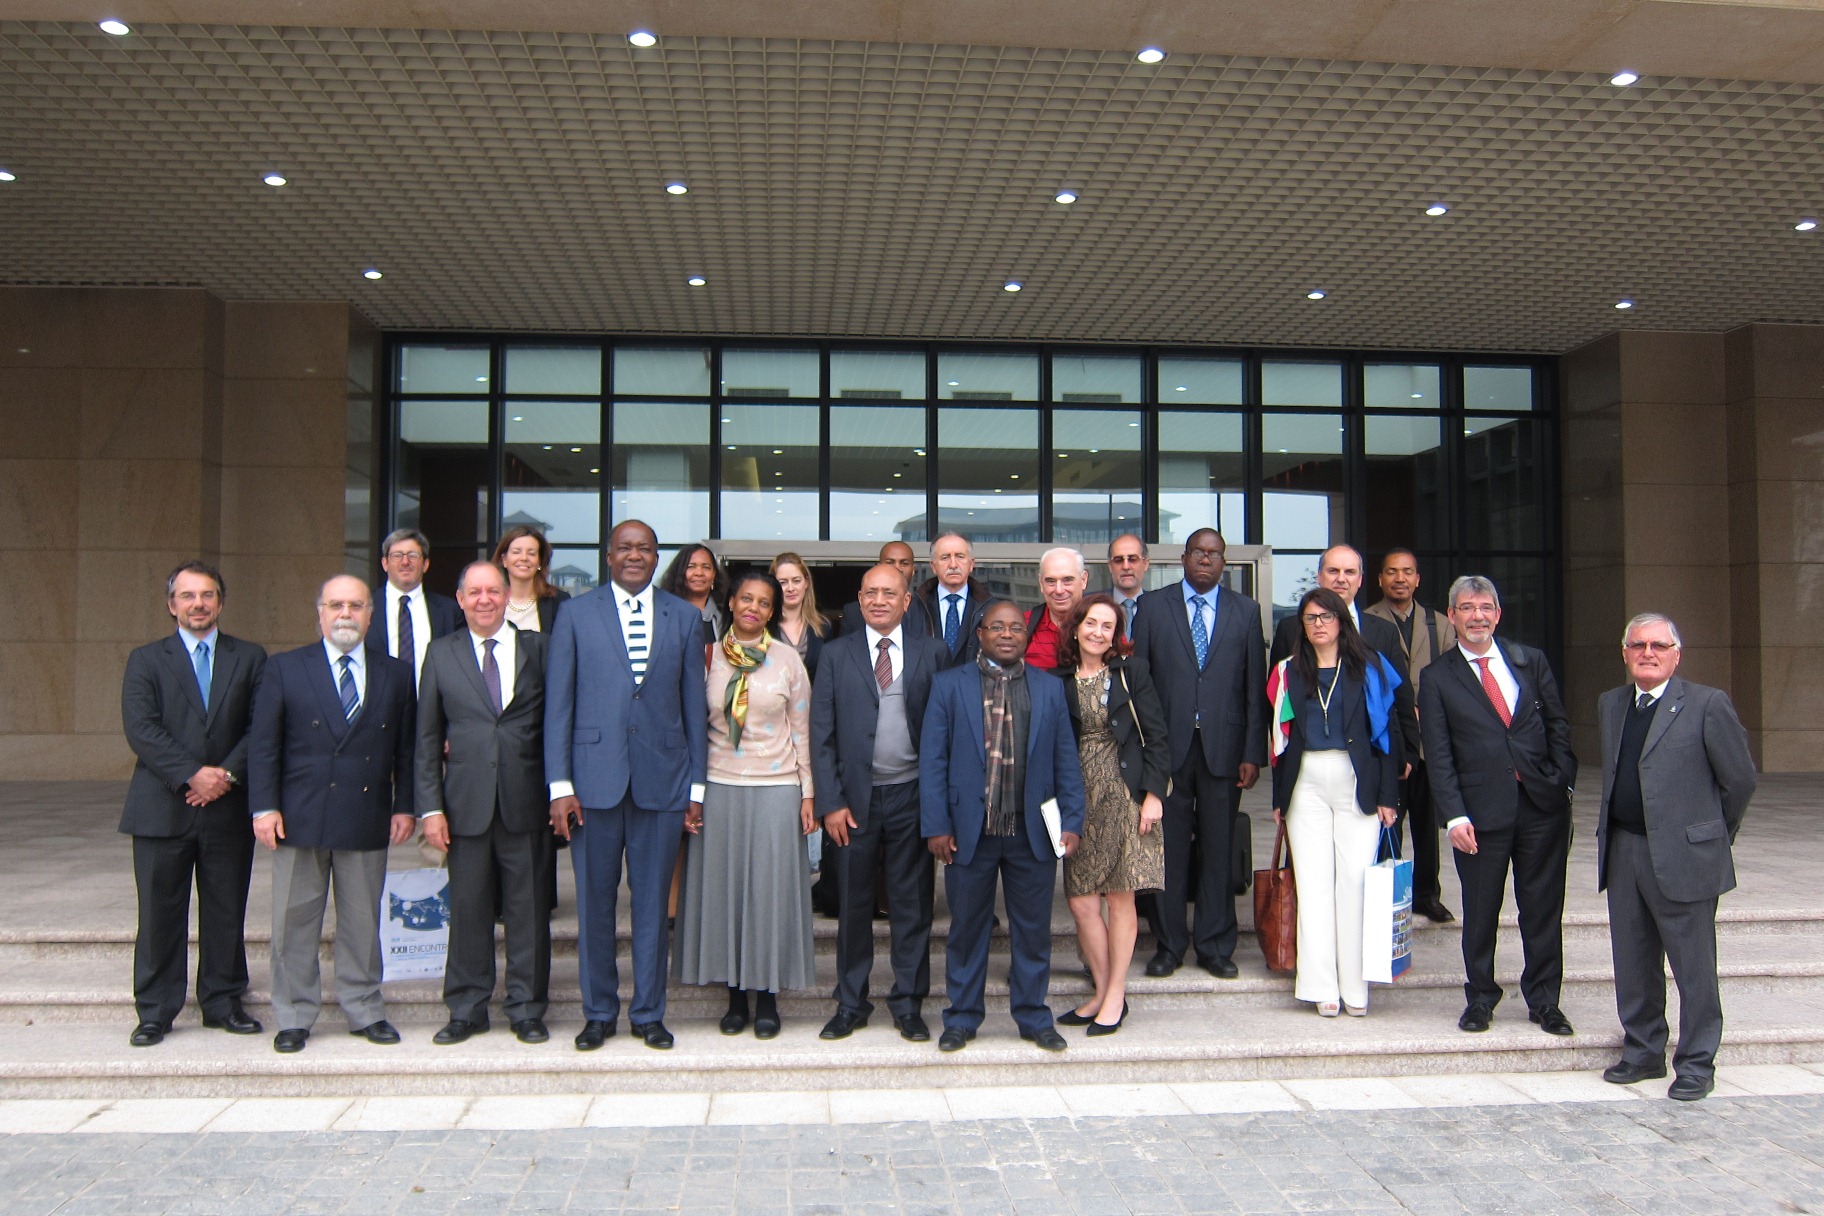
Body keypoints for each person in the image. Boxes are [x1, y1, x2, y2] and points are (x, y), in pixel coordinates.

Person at [547, 520, 708, 1051]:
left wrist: (696, 789)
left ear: (656, 557)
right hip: (592, 785)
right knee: (594, 905)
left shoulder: (684, 617)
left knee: (652, 906)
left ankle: (648, 1013)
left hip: (662, 784)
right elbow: (559, 706)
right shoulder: (575, 614)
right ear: (608, 556)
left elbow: (693, 707)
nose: (634, 555)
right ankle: (598, 1013)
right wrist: (559, 785)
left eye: (645, 548)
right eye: (625, 548)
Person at [248, 575, 416, 1054]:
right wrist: (264, 806)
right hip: (298, 816)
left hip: (366, 812)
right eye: (336, 605)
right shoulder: (285, 668)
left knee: (362, 922)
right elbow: (264, 745)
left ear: (369, 615)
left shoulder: (396, 673)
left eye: (356, 605)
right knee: (293, 922)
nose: (346, 614)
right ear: (319, 613)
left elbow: (407, 749)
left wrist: (405, 804)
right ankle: (294, 1015)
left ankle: (364, 1008)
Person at [1596, 613, 1756, 1101]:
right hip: (1624, 850)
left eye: (1658, 646)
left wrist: (1710, 835)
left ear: (1676, 655)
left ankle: (1696, 1063)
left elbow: (1739, 780)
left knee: (1693, 967)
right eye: (1638, 645)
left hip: (1686, 856)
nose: (1648, 653)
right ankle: (1643, 1051)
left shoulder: (1707, 704)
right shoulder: (1611, 704)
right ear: (1625, 653)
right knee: (1633, 959)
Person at [921, 599, 1085, 1053]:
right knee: (966, 930)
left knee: (1032, 932)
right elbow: (933, 761)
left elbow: (1066, 760)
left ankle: (1033, 1017)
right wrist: (936, 825)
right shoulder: (948, 685)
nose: (1008, 634)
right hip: (967, 832)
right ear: (981, 635)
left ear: (1026, 636)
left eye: (1015, 627)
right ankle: (961, 1018)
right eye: (997, 627)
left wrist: (1072, 820)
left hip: (1031, 832)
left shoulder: (1049, 688)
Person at [118, 562, 268, 1047]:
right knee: (159, 913)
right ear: (171, 605)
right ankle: (156, 1010)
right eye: (187, 596)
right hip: (162, 807)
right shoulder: (146, 660)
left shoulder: (250, 657)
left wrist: (223, 775)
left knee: (226, 908)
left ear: (220, 602)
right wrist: (192, 774)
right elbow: (141, 728)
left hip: (227, 806)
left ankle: (223, 1002)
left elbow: (261, 726)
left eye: (206, 595)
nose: (197, 604)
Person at [1419, 575, 1577, 1036]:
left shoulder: (1530, 661)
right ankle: (1481, 998)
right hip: (1478, 814)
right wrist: (1454, 815)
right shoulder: (1437, 677)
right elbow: (1439, 754)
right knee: (1481, 911)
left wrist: (1561, 779)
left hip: (1540, 807)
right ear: (1452, 616)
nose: (1477, 617)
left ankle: (1545, 1001)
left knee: (1542, 909)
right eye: (1467, 608)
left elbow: (1558, 725)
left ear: (1498, 614)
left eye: (1485, 607)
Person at [414, 560, 553, 1046]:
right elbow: (426, 738)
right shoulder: (441, 653)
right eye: (474, 592)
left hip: (526, 802)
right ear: (460, 599)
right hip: (464, 806)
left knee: (528, 913)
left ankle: (527, 1009)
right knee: (469, 911)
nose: (484, 600)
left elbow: (556, 724)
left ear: (506, 596)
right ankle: (467, 1008)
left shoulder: (539, 648)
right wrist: (430, 808)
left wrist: (559, 791)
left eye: (493, 591)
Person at [677, 571, 817, 1039]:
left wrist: (808, 792)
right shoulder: (707, 657)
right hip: (719, 787)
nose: (753, 608)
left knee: (768, 895)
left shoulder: (787, 660)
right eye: (746, 599)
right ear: (731, 603)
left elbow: (803, 731)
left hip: (777, 788)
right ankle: (735, 998)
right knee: (726, 894)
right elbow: (692, 728)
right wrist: (692, 795)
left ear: (772, 612)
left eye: (763, 602)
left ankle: (768, 997)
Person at [809, 564, 946, 1042]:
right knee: (853, 905)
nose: (880, 600)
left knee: (912, 906)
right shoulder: (835, 654)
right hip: (853, 802)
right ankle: (851, 1003)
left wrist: (939, 807)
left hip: (913, 795)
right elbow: (820, 734)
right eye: (871, 593)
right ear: (859, 599)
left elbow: (945, 731)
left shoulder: (933, 652)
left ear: (907, 601)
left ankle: (908, 1004)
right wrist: (830, 802)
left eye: (890, 593)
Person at [1130, 529, 1266, 979]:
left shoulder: (1246, 611)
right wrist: (1145, 752)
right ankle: (1169, 945)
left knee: (1218, 849)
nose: (1205, 560)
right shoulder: (1153, 607)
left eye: (1214, 554)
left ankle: (1214, 945)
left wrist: (1252, 751)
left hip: (1224, 751)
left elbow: (1253, 687)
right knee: (1167, 850)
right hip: (1166, 751)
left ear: (1224, 562)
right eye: (1198, 553)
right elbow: (1140, 683)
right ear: (1183, 558)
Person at [1268, 588, 1402, 1017]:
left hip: (1356, 779)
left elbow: (1388, 734)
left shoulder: (1369, 667)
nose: (1318, 624)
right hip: (1305, 782)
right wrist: (1279, 798)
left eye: (1326, 616)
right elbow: (1280, 743)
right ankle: (1320, 985)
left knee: (1355, 884)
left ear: (1341, 620)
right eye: (1310, 618)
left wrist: (1388, 795)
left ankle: (1355, 986)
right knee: (1312, 885)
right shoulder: (1288, 670)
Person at [1051, 594, 1167, 1036]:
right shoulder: (1058, 679)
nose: (1098, 632)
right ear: (1076, 627)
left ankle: (1114, 994)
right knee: (1081, 900)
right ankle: (1102, 991)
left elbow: (1156, 736)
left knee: (1120, 897)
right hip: (1078, 798)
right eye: (1091, 623)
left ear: (1116, 635)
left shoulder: (1131, 672)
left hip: (1126, 794)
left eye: (1107, 626)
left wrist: (1153, 794)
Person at [1364, 548, 1457, 924]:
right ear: (1380, 579)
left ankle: (1426, 894)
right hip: (1387, 737)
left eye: (1407, 572)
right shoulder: (1365, 621)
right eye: (1391, 572)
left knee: (1427, 822)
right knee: (1388, 819)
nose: (1399, 578)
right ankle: (1388, 894)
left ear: (1417, 579)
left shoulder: (1440, 625)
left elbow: (1454, 677)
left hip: (1430, 740)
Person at [1270, 545, 1419, 779]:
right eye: (1333, 571)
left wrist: (1408, 753)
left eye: (1350, 572)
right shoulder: (1291, 629)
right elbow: (1277, 700)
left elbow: (1401, 697)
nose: (1341, 579)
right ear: (1319, 576)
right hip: (1307, 763)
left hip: (1371, 759)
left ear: (1360, 580)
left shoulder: (1383, 631)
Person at [370, 528, 463, 688]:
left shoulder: (449, 611)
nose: (405, 562)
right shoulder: (365, 608)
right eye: (397, 555)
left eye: (413, 555)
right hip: (380, 701)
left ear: (425, 564)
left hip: (432, 701)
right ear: (385, 563)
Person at [917, 532, 989, 668]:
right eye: (945, 557)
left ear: (971, 564)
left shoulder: (990, 608)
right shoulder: (915, 606)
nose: (953, 565)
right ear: (933, 566)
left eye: (960, 556)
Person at [840, 540, 937, 637]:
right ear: (878, 567)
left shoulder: (926, 610)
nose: (897, 568)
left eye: (904, 563)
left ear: (913, 571)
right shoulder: (853, 613)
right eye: (890, 562)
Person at [494, 525, 571, 633]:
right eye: (516, 552)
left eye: (531, 553)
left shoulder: (558, 601)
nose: (524, 558)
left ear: (540, 562)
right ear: (504, 560)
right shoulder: (489, 599)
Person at [1023, 547, 1086, 670]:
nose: (1059, 590)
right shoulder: (1022, 625)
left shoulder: (1104, 625)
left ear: (1083, 580)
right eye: (1050, 581)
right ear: (1041, 583)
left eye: (1067, 580)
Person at [769, 551, 828, 681]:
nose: (790, 588)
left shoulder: (823, 627)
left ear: (806, 582)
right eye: (783, 582)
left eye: (796, 581)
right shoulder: (763, 627)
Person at [660, 542, 728, 646]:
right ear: (680, 572)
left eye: (706, 567)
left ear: (714, 574)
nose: (699, 573)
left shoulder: (726, 615)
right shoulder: (663, 613)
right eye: (691, 566)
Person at [1098, 534, 1150, 642]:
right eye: (1118, 560)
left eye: (1133, 559)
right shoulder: (1093, 606)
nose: (1126, 566)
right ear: (1110, 566)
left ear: (1145, 564)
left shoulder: (1160, 609)